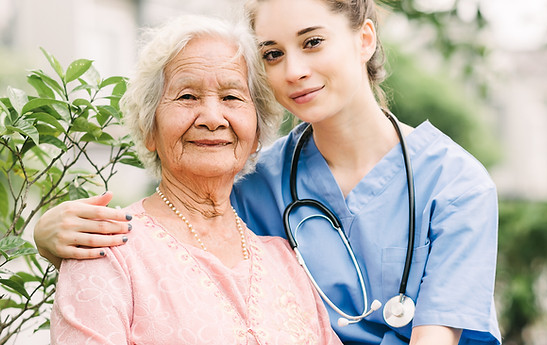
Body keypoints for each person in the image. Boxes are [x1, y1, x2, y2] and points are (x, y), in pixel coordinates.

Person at [36, 0, 502, 344]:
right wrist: (50, 235)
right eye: (273, 54)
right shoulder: (254, 178)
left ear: (365, 38)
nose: (294, 70)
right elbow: (168, 239)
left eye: (313, 42)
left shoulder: (456, 185)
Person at [49, 15, 342, 344]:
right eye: (187, 97)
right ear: (149, 128)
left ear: (257, 131)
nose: (213, 118)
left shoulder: (286, 260)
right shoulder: (108, 251)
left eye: (231, 97)